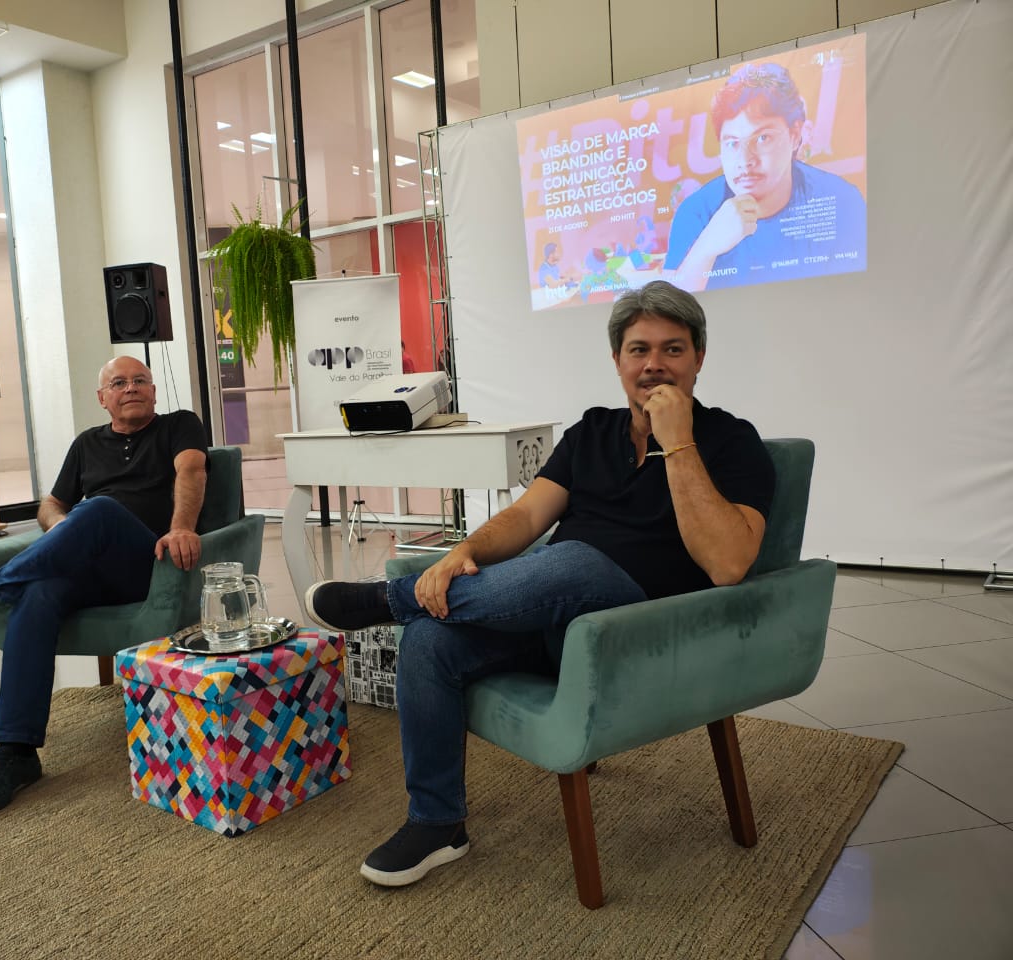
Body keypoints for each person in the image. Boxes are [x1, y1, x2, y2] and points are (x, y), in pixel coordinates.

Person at [304, 280, 775, 888]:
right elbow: (527, 518)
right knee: (430, 640)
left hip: (643, 636)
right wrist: (464, 552)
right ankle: (437, 822)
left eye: (673, 349)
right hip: (552, 620)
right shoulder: (591, 432)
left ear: (699, 358)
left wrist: (678, 443)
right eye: (638, 349)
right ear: (617, 360)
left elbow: (729, 564)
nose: (654, 364)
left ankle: (385, 600)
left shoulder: (732, 441)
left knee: (577, 560)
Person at [0, 356, 208, 816]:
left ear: (154, 391)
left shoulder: (179, 425)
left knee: (99, 509)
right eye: (119, 383)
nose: (131, 388)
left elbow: (192, 471)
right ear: (102, 398)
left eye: (140, 380)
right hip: (90, 571)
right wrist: (64, 530)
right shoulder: (86, 444)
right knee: (39, 593)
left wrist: (180, 527)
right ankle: (16, 751)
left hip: (150, 565)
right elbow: (51, 504)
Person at [665, 61, 867, 292]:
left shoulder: (841, 200)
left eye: (763, 138)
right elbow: (669, 308)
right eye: (732, 143)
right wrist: (706, 247)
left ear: (795, 136)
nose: (745, 160)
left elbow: (858, 295)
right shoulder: (696, 212)